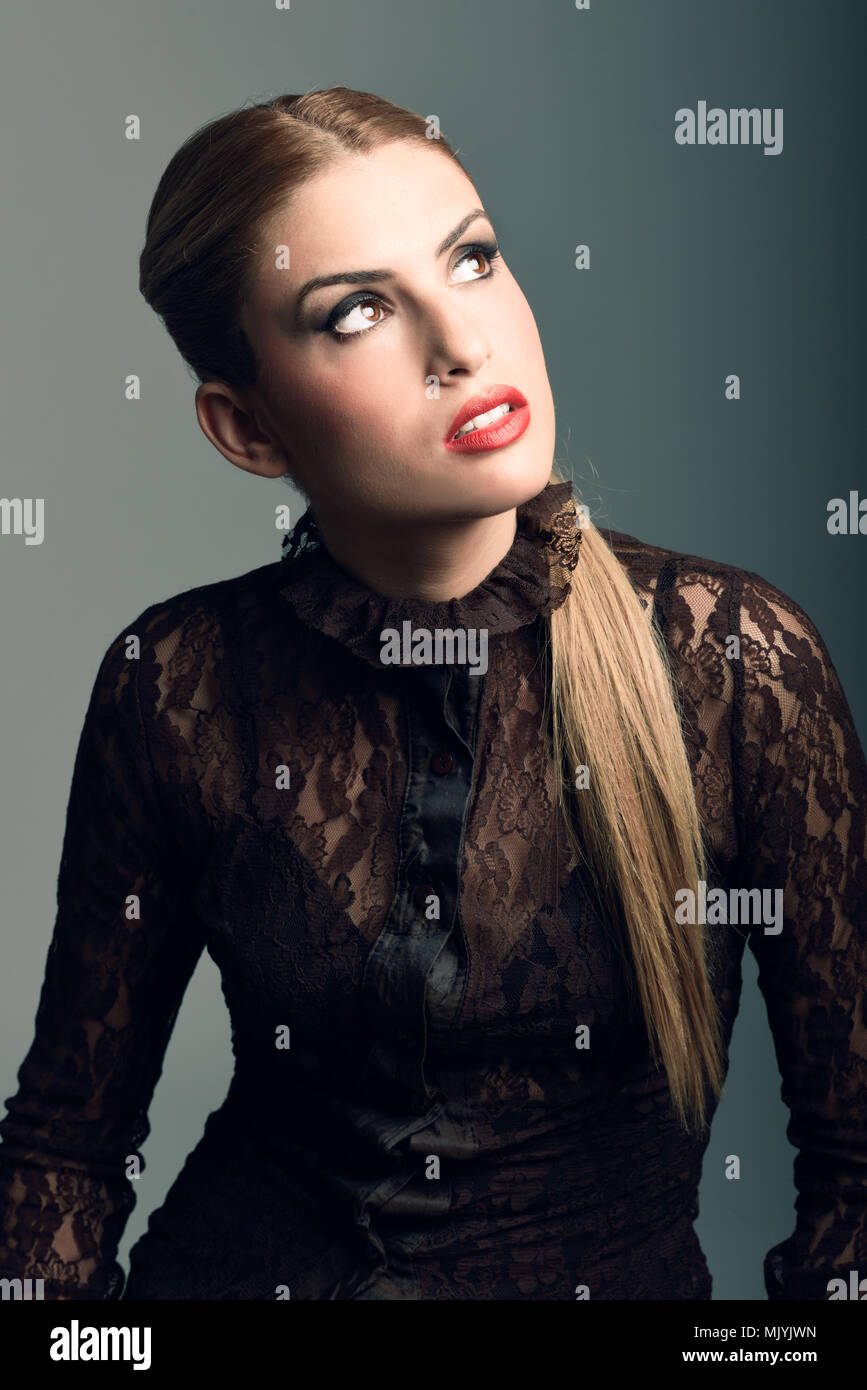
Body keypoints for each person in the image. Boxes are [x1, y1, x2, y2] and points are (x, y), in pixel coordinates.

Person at [0, 86, 864, 1301]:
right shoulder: (177, 684)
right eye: (357, 310)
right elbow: (64, 1151)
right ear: (247, 427)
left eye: (472, 258)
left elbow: (856, 1175)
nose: (463, 344)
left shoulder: (736, 663)